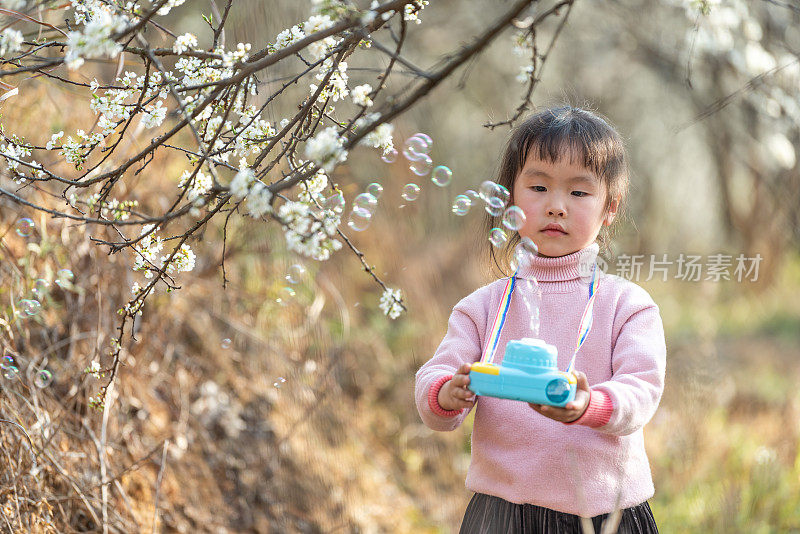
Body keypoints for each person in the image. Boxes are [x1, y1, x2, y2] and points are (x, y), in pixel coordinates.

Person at [414, 105, 665, 533]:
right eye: (538, 187)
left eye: (579, 193)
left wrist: (588, 405)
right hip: (501, 514)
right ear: (510, 196)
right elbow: (434, 379)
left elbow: (641, 392)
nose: (556, 207)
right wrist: (447, 392)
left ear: (611, 207)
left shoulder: (627, 305)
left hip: (604, 512)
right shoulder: (482, 307)